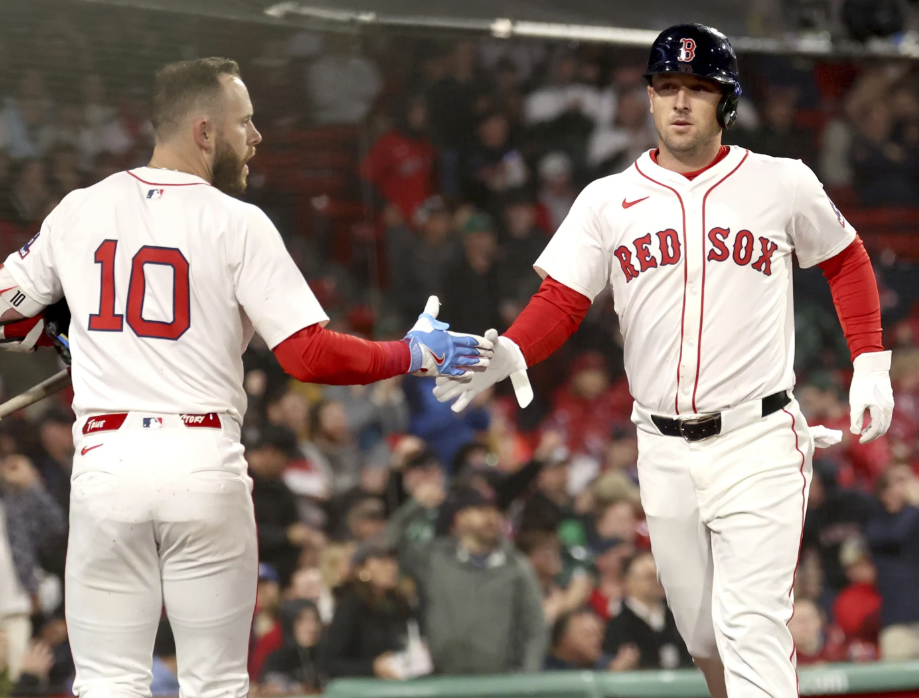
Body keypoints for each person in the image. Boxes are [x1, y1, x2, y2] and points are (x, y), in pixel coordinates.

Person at [0, 57, 489, 698]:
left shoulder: (80, 209)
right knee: (217, 685)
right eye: (245, 122)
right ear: (204, 131)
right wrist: (411, 354)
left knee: (107, 684)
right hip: (201, 460)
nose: (256, 137)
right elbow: (308, 356)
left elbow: (8, 312)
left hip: (106, 462)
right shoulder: (237, 221)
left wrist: (58, 330)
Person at [435, 23, 894, 698]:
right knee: (704, 638)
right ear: (649, 97)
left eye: (697, 88)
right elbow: (562, 299)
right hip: (661, 446)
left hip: (758, 436)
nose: (680, 101)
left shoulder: (781, 181)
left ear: (725, 102)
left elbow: (846, 259)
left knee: (749, 628)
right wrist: (510, 348)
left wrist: (871, 360)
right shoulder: (606, 199)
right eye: (667, 86)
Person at [387, 486, 548, 675]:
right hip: (443, 678)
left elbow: (535, 628)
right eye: (481, 510)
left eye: (495, 511)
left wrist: (527, 679)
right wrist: (415, 506)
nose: (490, 517)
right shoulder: (435, 559)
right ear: (460, 518)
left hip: (498, 680)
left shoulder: (516, 567)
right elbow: (389, 543)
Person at [323, 539, 420, 680]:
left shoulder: (399, 604)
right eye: (382, 562)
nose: (392, 567)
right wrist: (372, 667)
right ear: (362, 569)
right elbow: (330, 663)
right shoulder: (351, 606)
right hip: (363, 686)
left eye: (393, 561)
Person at [602, 552, 692, 670]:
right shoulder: (618, 625)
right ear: (628, 581)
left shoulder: (679, 618)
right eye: (650, 576)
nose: (658, 581)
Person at [544, 608, 639, 672]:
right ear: (563, 638)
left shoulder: (605, 663)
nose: (598, 640)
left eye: (600, 634)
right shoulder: (542, 668)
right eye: (588, 634)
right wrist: (611, 676)